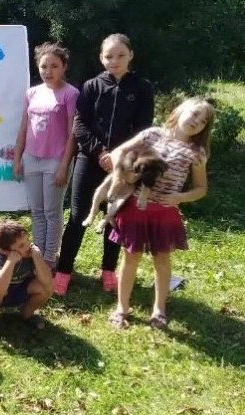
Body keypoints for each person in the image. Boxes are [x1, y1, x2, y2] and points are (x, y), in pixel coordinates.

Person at [54, 33, 155, 295]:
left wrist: (119, 156)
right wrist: (100, 152)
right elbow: (80, 125)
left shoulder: (142, 88)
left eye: (120, 55)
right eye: (109, 56)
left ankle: (108, 270)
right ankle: (64, 270)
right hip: (89, 160)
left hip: (124, 165)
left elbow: (143, 129)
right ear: (101, 58)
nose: (114, 61)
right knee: (77, 217)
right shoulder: (91, 86)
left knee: (115, 216)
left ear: (131, 55)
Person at [107, 97, 214, 329]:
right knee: (130, 258)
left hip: (164, 214)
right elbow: (118, 153)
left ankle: (159, 310)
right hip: (135, 209)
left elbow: (201, 189)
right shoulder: (152, 135)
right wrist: (123, 175)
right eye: (195, 113)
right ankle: (122, 308)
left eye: (203, 121)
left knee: (162, 260)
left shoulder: (197, 153)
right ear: (180, 110)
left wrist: (179, 198)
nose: (197, 121)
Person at [13, 42, 79, 270]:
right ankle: (37, 254)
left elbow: (72, 133)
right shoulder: (32, 93)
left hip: (56, 161)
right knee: (37, 211)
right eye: (44, 66)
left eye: (54, 66)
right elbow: (24, 127)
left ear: (64, 67)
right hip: (31, 158)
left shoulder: (70, 94)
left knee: (52, 212)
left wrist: (64, 166)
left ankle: (50, 258)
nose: (48, 71)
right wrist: (17, 158)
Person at [0, 219, 54, 332]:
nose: (28, 246)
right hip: (0, 293)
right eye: (22, 245)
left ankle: (28, 314)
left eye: (27, 240)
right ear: (4, 251)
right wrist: (10, 261)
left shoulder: (32, 252)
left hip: (21, 289)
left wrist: (37, 257)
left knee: (45, 286)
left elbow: (48, 282)